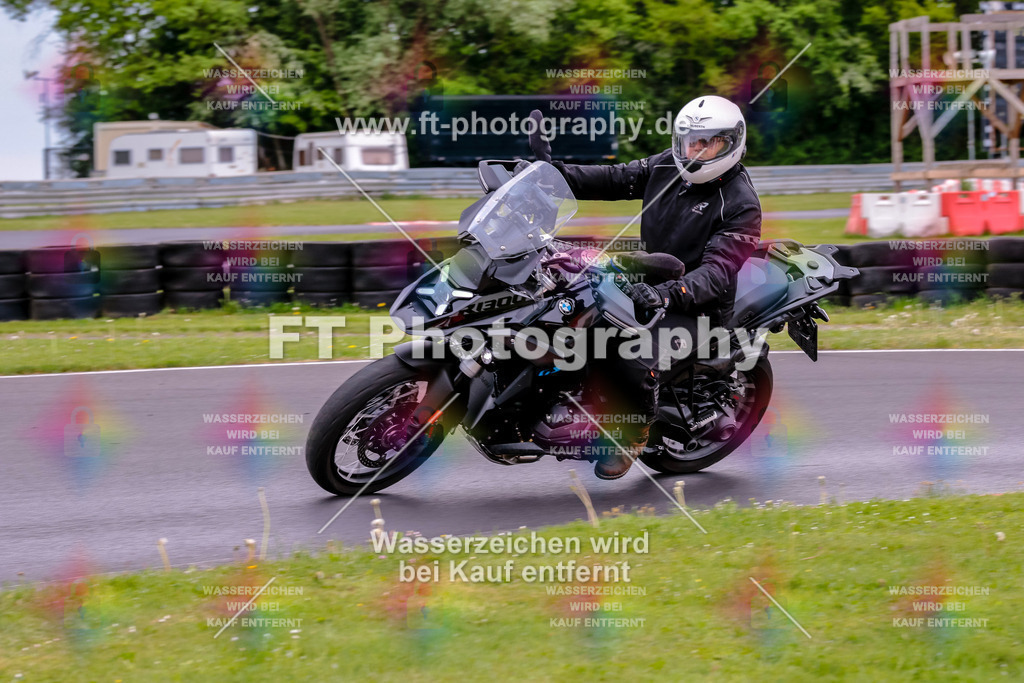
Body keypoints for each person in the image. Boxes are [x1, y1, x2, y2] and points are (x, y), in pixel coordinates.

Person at [528, 95, 762, 479]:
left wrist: (668, 294)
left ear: (731, 143)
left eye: (708, 143)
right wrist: (550, 172)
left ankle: (632, 433)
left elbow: (718, 272)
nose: (696, 150)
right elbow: (613, 178)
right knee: (565, 307)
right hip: (645, 280)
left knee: (623, 345)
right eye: (691, 141)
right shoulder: (666, 166)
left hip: (694, 308)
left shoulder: (740, 204)